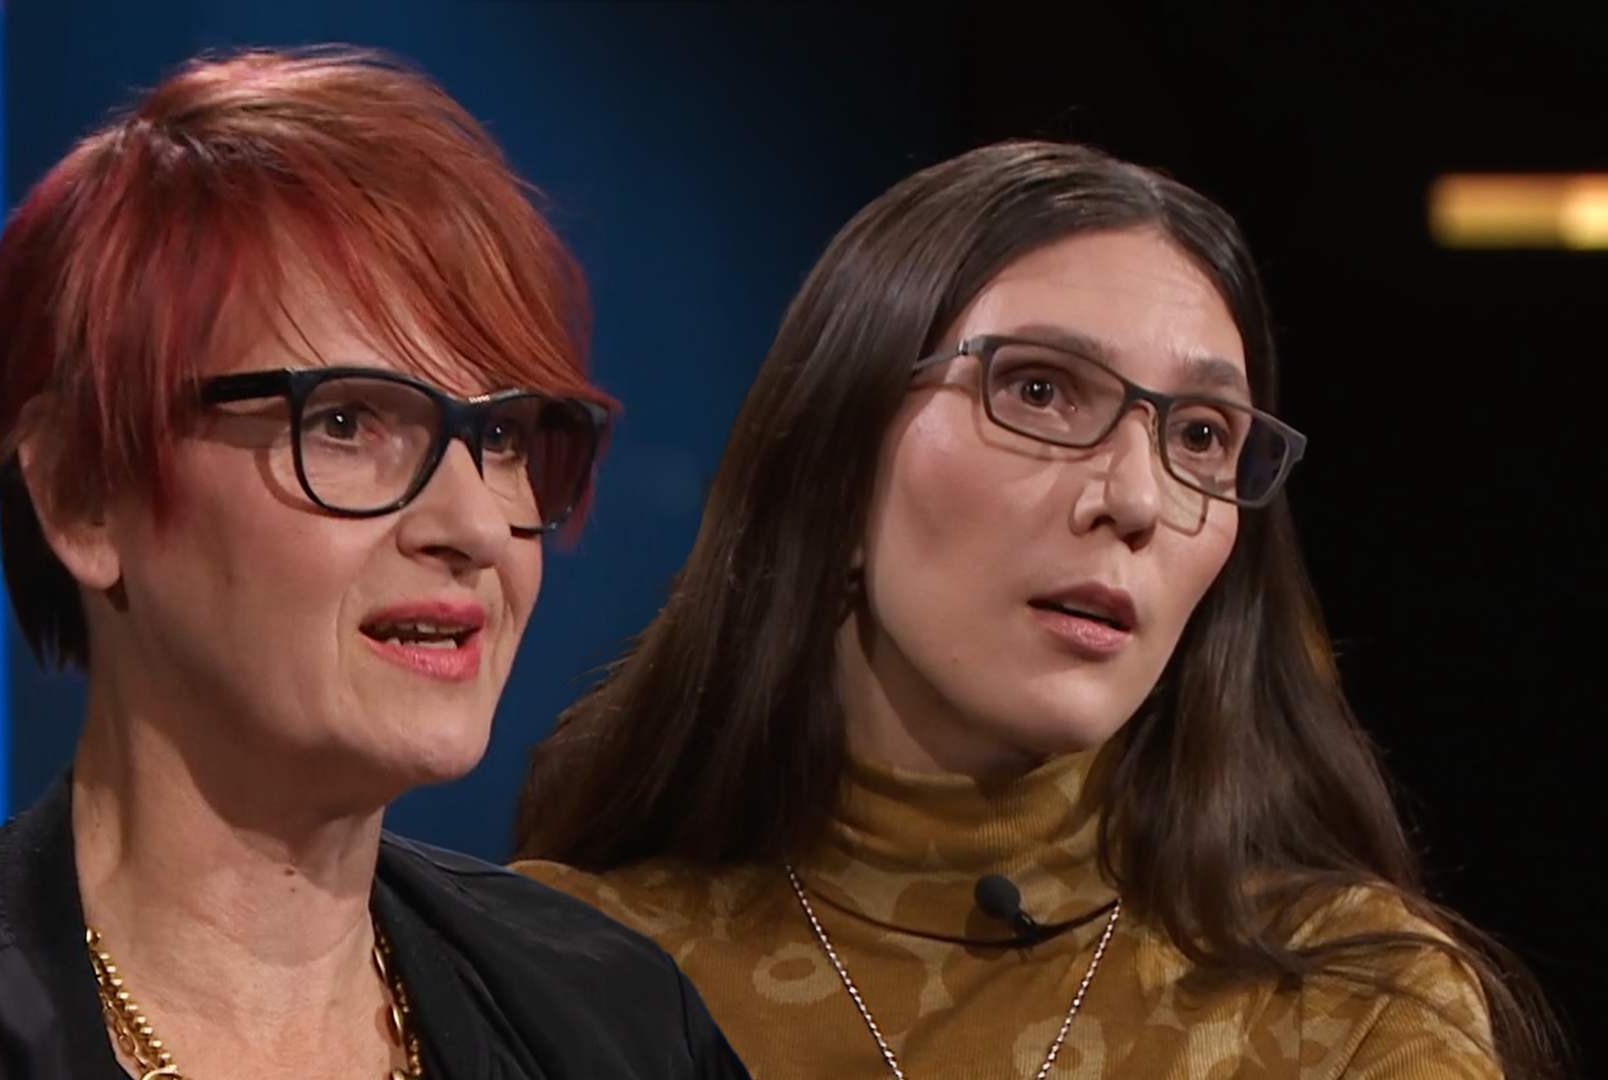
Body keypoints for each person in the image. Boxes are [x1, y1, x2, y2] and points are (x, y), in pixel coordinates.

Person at [0, 47, 746, 1080]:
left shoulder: (616, 1022)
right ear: (82, 493)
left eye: (504, 436)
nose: (472, 525)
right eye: (345, 422)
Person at [512, 140, 1563, 1078]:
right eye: (1041, 391)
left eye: (1201, 435)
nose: (1136, 499)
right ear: (839, 456)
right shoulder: (554, 974)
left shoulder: (1349, 1016)